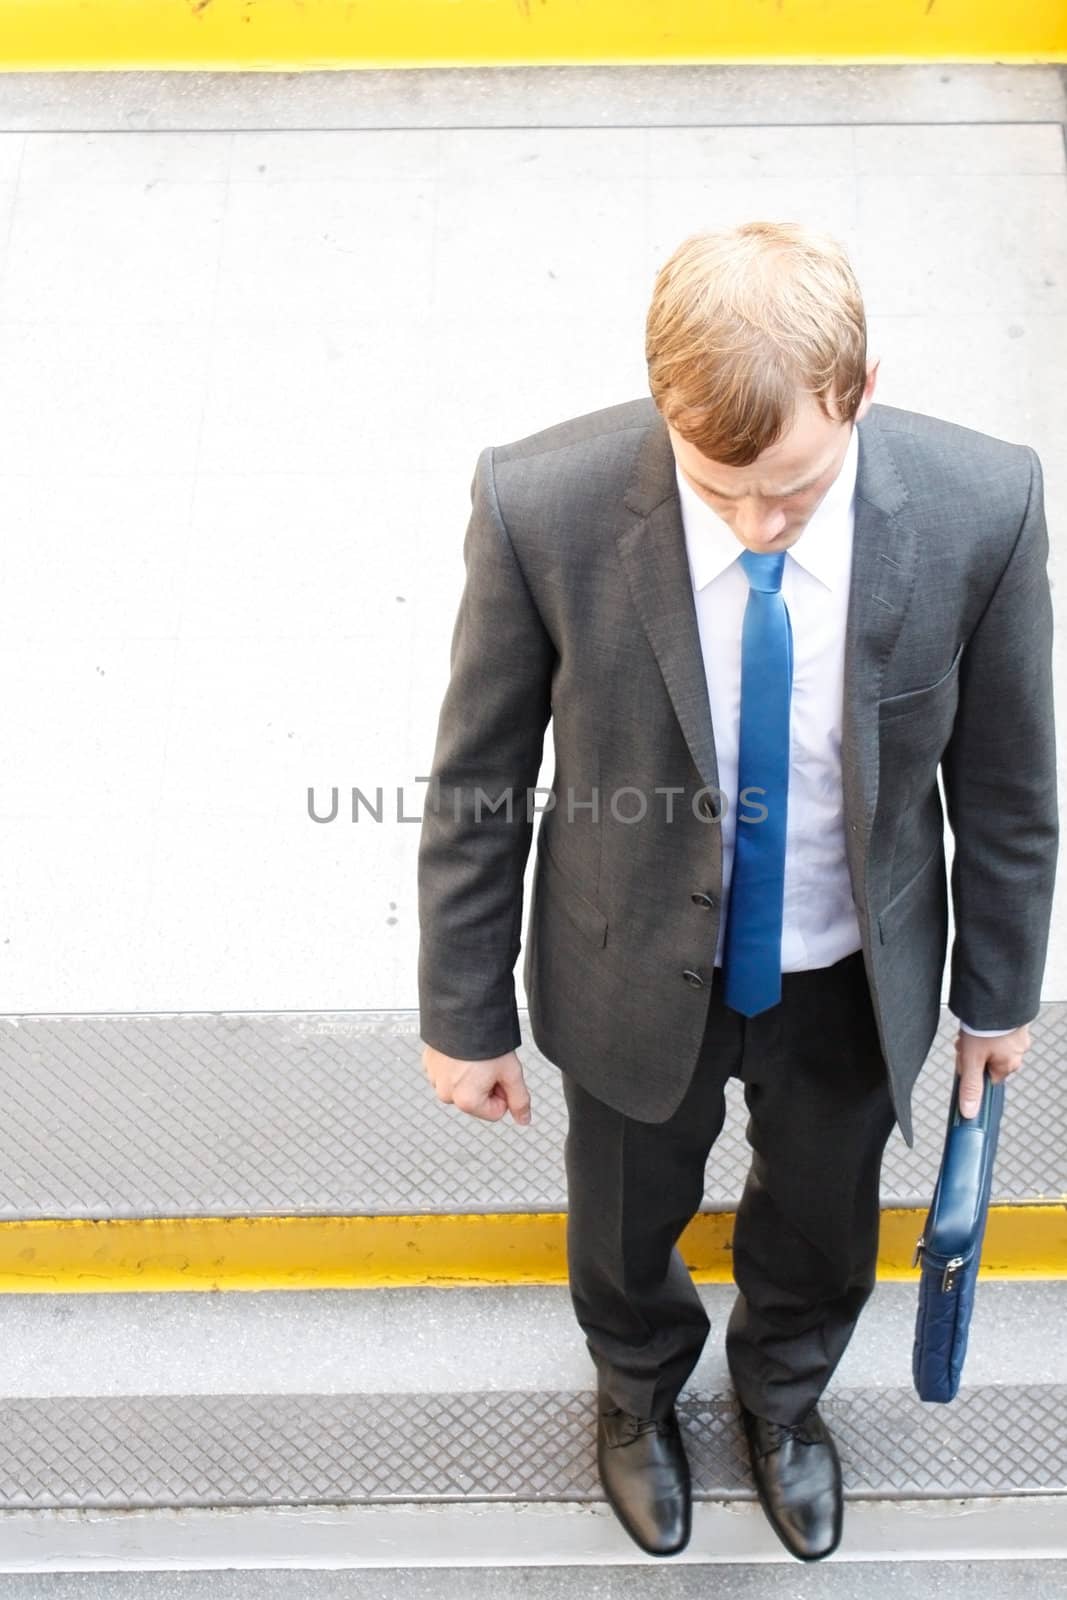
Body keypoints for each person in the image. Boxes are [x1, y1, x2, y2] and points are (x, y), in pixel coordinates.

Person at [416, 221, 1058, 1562]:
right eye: (723, 488)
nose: (761, 522)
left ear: (864, 388)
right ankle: (638, 1391)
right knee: (623, 1215)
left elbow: (1008, 786)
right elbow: (479, 776)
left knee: (828, 1220)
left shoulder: (979, 508)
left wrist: (999, 997)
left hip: (852, 971)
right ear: (663, 409)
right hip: (628, 961)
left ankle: (784, 1399)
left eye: (799, 489)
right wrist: (463, 1011)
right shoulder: (546, 504)